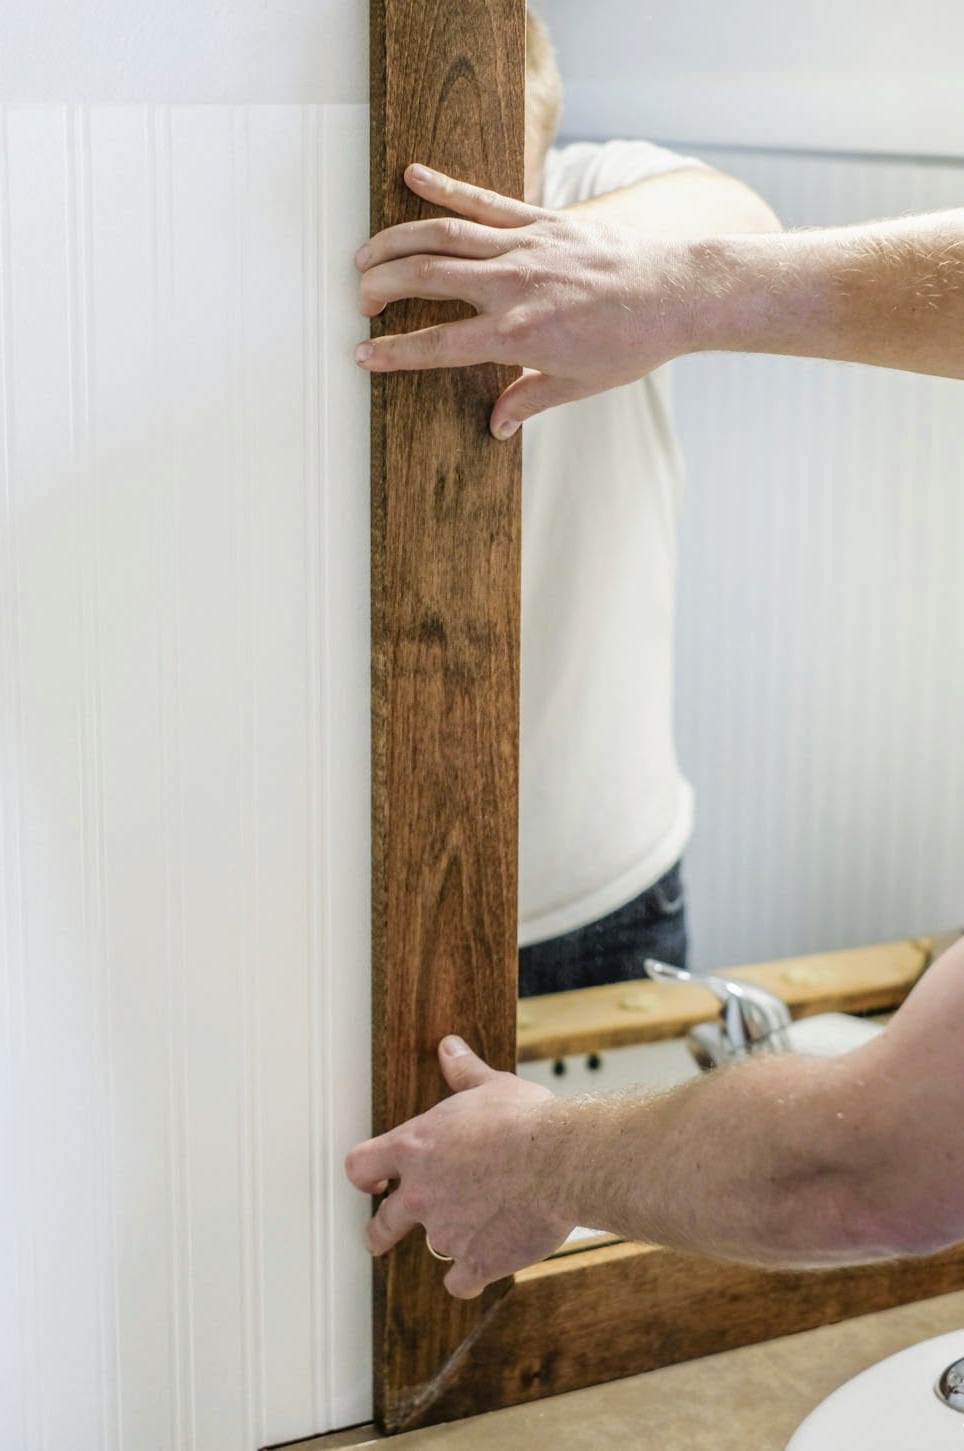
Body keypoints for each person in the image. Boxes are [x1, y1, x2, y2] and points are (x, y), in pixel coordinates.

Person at [347, 72, 964, 1295]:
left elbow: (880, 1167)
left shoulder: (594, 201)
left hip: (602, 902)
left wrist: (667, 279)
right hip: (346, 933)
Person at [514, 15, 781, 994]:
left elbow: (744, 222)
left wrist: (537, 250)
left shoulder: (595, 192)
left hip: (599, 889)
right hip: (357, 900)